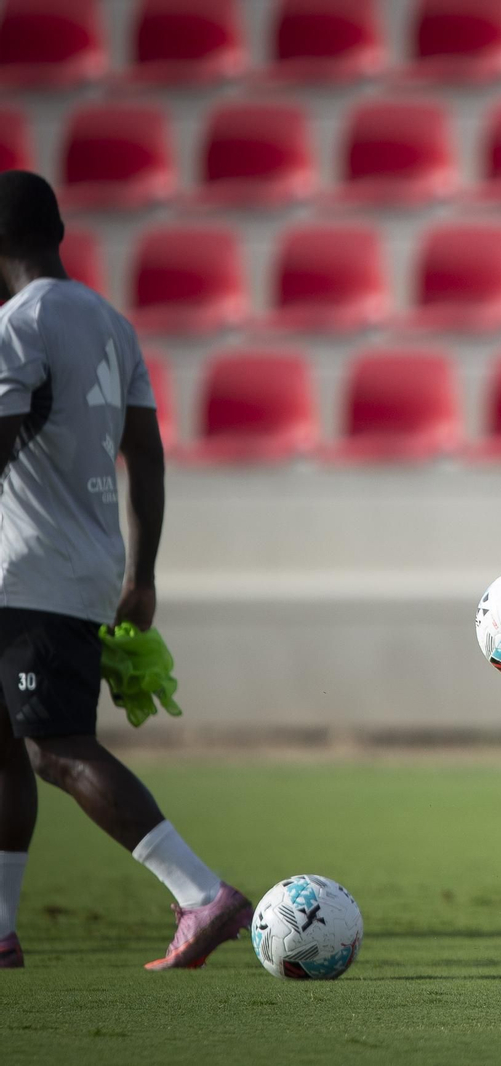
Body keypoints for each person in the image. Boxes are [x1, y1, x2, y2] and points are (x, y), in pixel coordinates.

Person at [0, 171, 251, 971]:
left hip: (25, 570)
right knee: (8, 747)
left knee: (54, 747)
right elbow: (143, 448)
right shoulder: (110, 323)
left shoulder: (19, 323)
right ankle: (0, 930)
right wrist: (142, 571)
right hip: (84, 561)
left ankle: (199, 893)